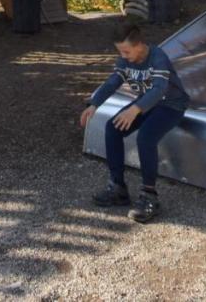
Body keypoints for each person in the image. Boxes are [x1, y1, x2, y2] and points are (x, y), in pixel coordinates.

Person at [80, 22, 189, 223]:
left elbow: (159, 89)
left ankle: (150, 197)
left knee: (146, 138)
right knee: (112, 128)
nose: (123, 56)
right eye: (120, 51)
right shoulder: (125, 60)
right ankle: (118, 188)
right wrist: (94, 104)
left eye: (126, 51)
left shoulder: (158, 57)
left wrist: (134, 109)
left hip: (171, 105)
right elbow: (113, 81)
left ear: (139, 45)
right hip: (146, 103)